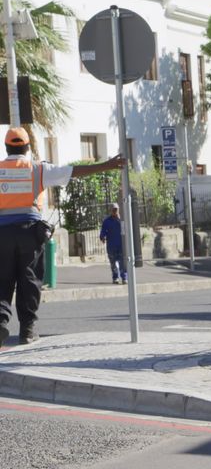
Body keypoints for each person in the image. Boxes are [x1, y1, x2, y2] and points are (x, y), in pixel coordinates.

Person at [0, 127, 124, 347]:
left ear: (6, 147)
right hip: (30, 232)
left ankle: (0, 322)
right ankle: (27, 330)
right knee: (29, 280)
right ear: (27, 148)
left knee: (2, 279)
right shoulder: (38, 169)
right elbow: (72, 171)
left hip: (2, 233)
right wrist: (107, 165)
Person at [99, 203, 126, 284]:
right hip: (111, 246)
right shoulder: (107, 221)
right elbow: (103, 231)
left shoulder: (122, 220)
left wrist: (119, 220)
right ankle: (115, 278)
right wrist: (102, 237)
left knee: (122, 262)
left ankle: (124, 277)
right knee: (113, 263)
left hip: (121, 245)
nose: (115, 211)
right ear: (110, 210)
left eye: (116, 209)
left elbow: (126, 230)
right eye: (113, 210)